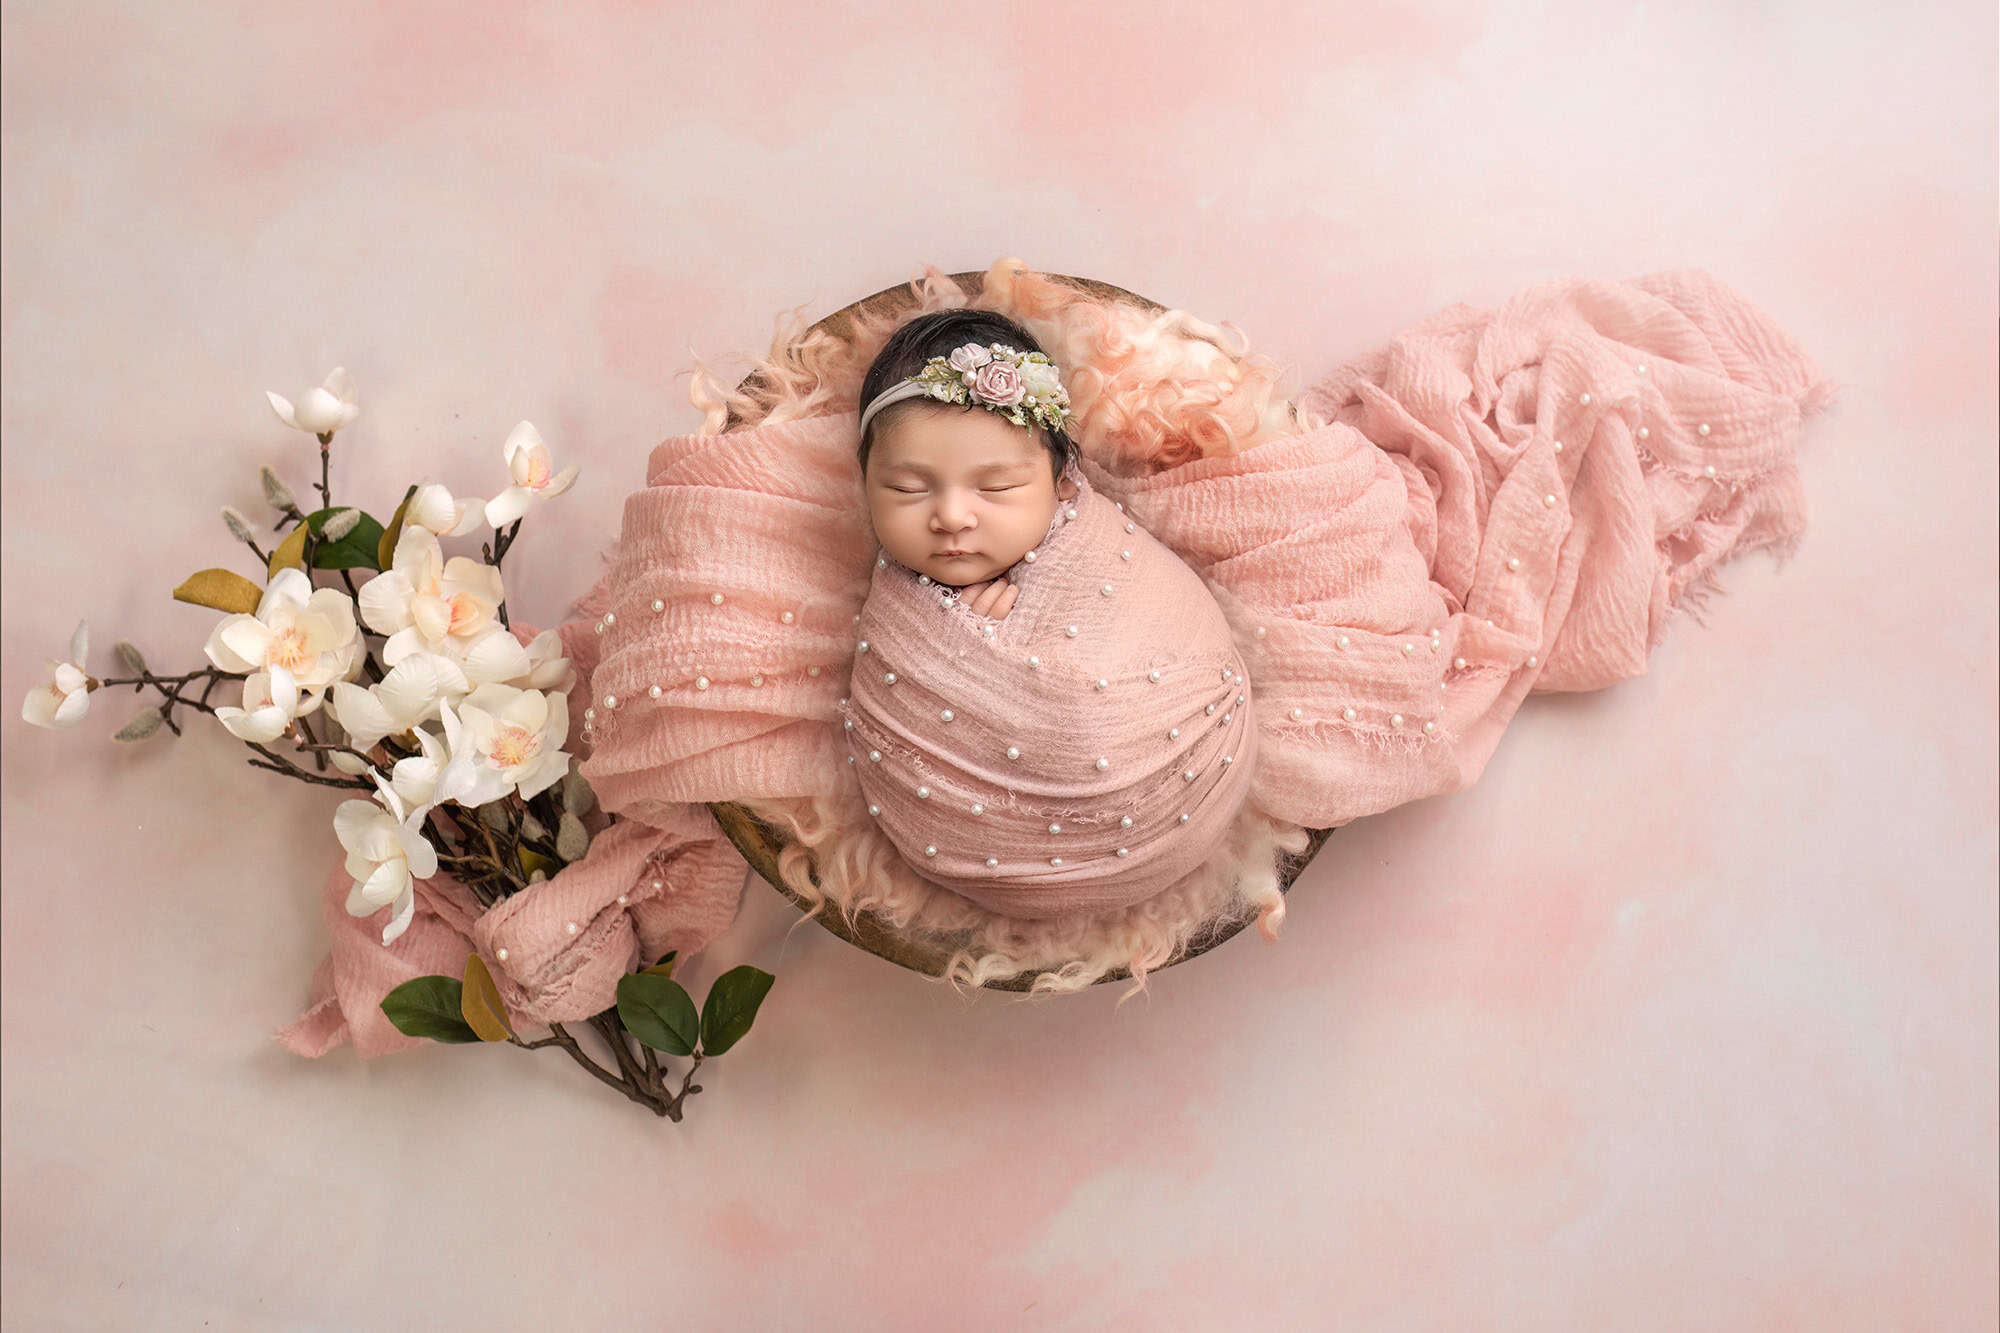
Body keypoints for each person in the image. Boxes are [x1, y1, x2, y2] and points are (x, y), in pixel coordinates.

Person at [856, 309, 1083, 621]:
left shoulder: (1103, 560)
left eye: (996, 486)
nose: (952, 518)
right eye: (908, 489)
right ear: (866, 484)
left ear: (1062, 480)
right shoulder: (882, 602)